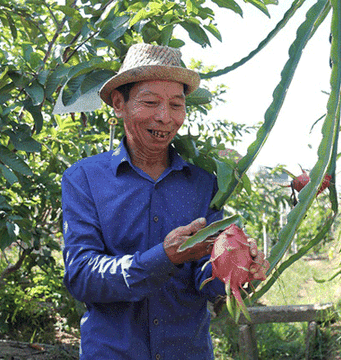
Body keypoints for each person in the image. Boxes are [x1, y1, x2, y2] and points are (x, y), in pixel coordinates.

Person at [61, 43, 269, 360]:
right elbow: (82, 276)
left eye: (176, 105)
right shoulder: (84, 179)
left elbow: (206, 277)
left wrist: (238, 271)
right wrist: (164, 257)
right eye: (149, 102)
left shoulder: (204, 184)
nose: (165, 117)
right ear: (119, 103)